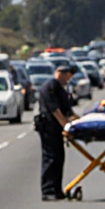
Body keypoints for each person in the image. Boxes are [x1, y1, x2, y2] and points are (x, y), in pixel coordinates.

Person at [35, 64, 77, 201]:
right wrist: (66, 126)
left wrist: (77, 120)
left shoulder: (61, 88)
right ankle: (47, 190)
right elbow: (55, 110)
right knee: (51, 158)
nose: (68, 80)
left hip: (56, 127)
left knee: (59, 157)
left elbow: (67, 110)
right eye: (67, 76)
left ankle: (57, 189)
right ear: (60, 73)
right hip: (49, 126)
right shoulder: (51, 86)